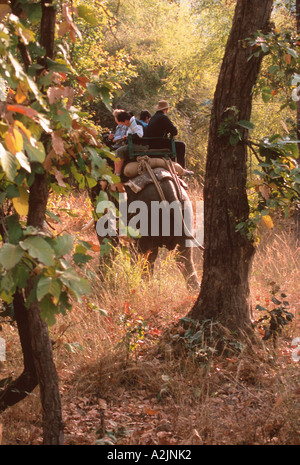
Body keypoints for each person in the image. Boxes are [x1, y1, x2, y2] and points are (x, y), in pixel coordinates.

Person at [145, 100, 187, 169]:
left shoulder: (153, 117)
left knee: (174, 144)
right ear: (166, 109)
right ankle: (182, 169)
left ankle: (173, 166)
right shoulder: (163, 117)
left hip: (151, 143)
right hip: (159, 143)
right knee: (181, 145)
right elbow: (174, 131)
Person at [114, 111, 146, 176]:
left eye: (123, 123)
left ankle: (118, 173)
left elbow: (140, 135)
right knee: (116, 151)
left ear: (125, 121)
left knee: (120, 151)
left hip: (141, 145)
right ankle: (116, 171)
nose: (123, 125)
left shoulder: (135, 123)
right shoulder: (130, 124)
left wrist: (129, 136)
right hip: (134, 144)